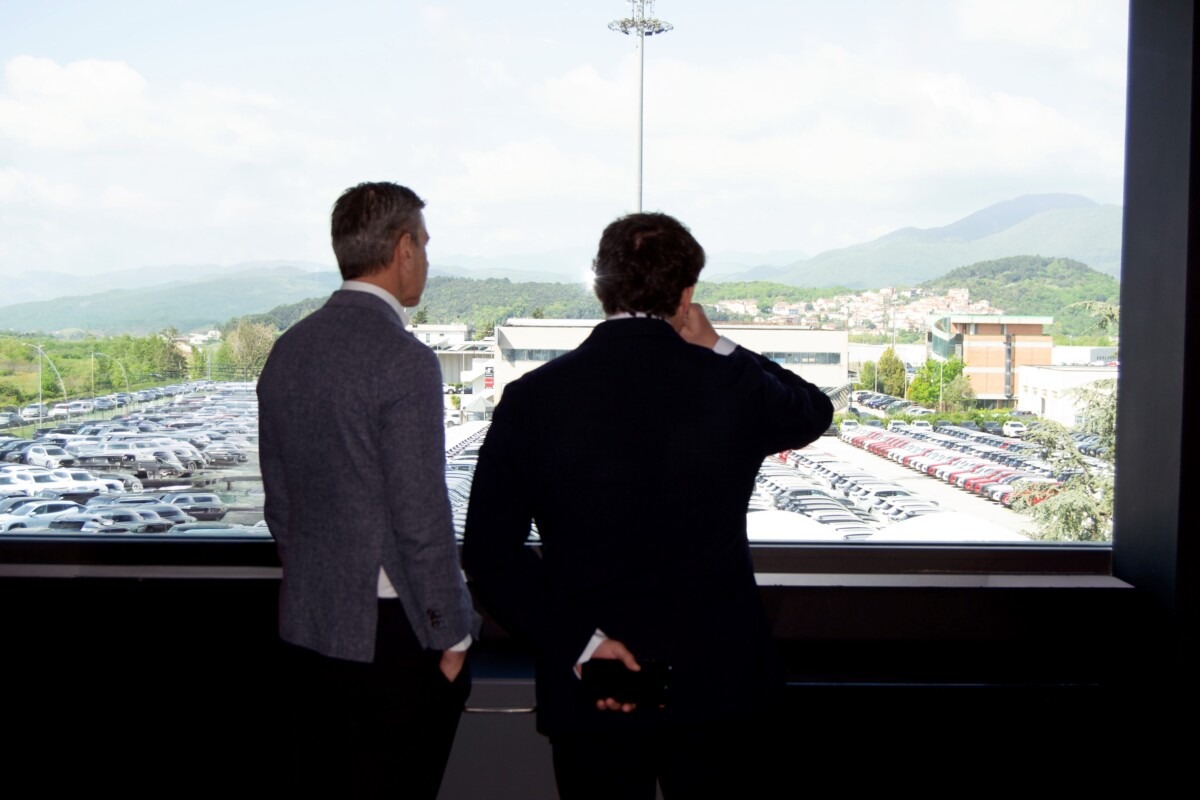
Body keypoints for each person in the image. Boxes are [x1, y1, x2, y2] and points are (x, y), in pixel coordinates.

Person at [462, 211, 834, 798]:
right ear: (687, 295)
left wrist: (582, 644)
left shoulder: (533, 398)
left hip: (593, 688)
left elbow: (490, 553)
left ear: (601, 286)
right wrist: (718, 345)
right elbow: (813, 410)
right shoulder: (730, 388)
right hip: (719, 685)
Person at [258, 181, 480, 798]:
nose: (427, 259)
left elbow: (280, 506)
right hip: (394, 639)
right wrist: (452, 635)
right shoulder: (403, 359)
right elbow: (420, 515)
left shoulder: (287, 351)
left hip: (308, 630)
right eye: (425, 244)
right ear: (403, 248)